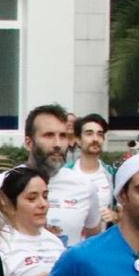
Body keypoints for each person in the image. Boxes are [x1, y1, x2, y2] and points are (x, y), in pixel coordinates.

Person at [24, 105, 104, 250]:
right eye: (48, 135)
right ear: (28, 143)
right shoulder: (2, 186)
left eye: (63, 136)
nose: (57, 144)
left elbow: (95, 242)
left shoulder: (85, 186)